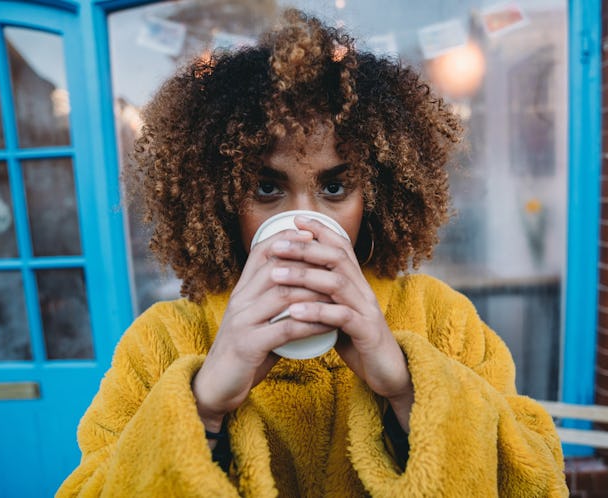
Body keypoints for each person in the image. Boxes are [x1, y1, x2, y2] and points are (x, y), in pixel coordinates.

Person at [58, 9, 568, 497]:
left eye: (335, 187)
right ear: (218, 198)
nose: (306, 225)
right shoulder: (162, 344)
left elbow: (537, 482)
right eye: (264, 188)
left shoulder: (443, 322)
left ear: (375, 192)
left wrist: (407, 386)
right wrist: (202, 405)